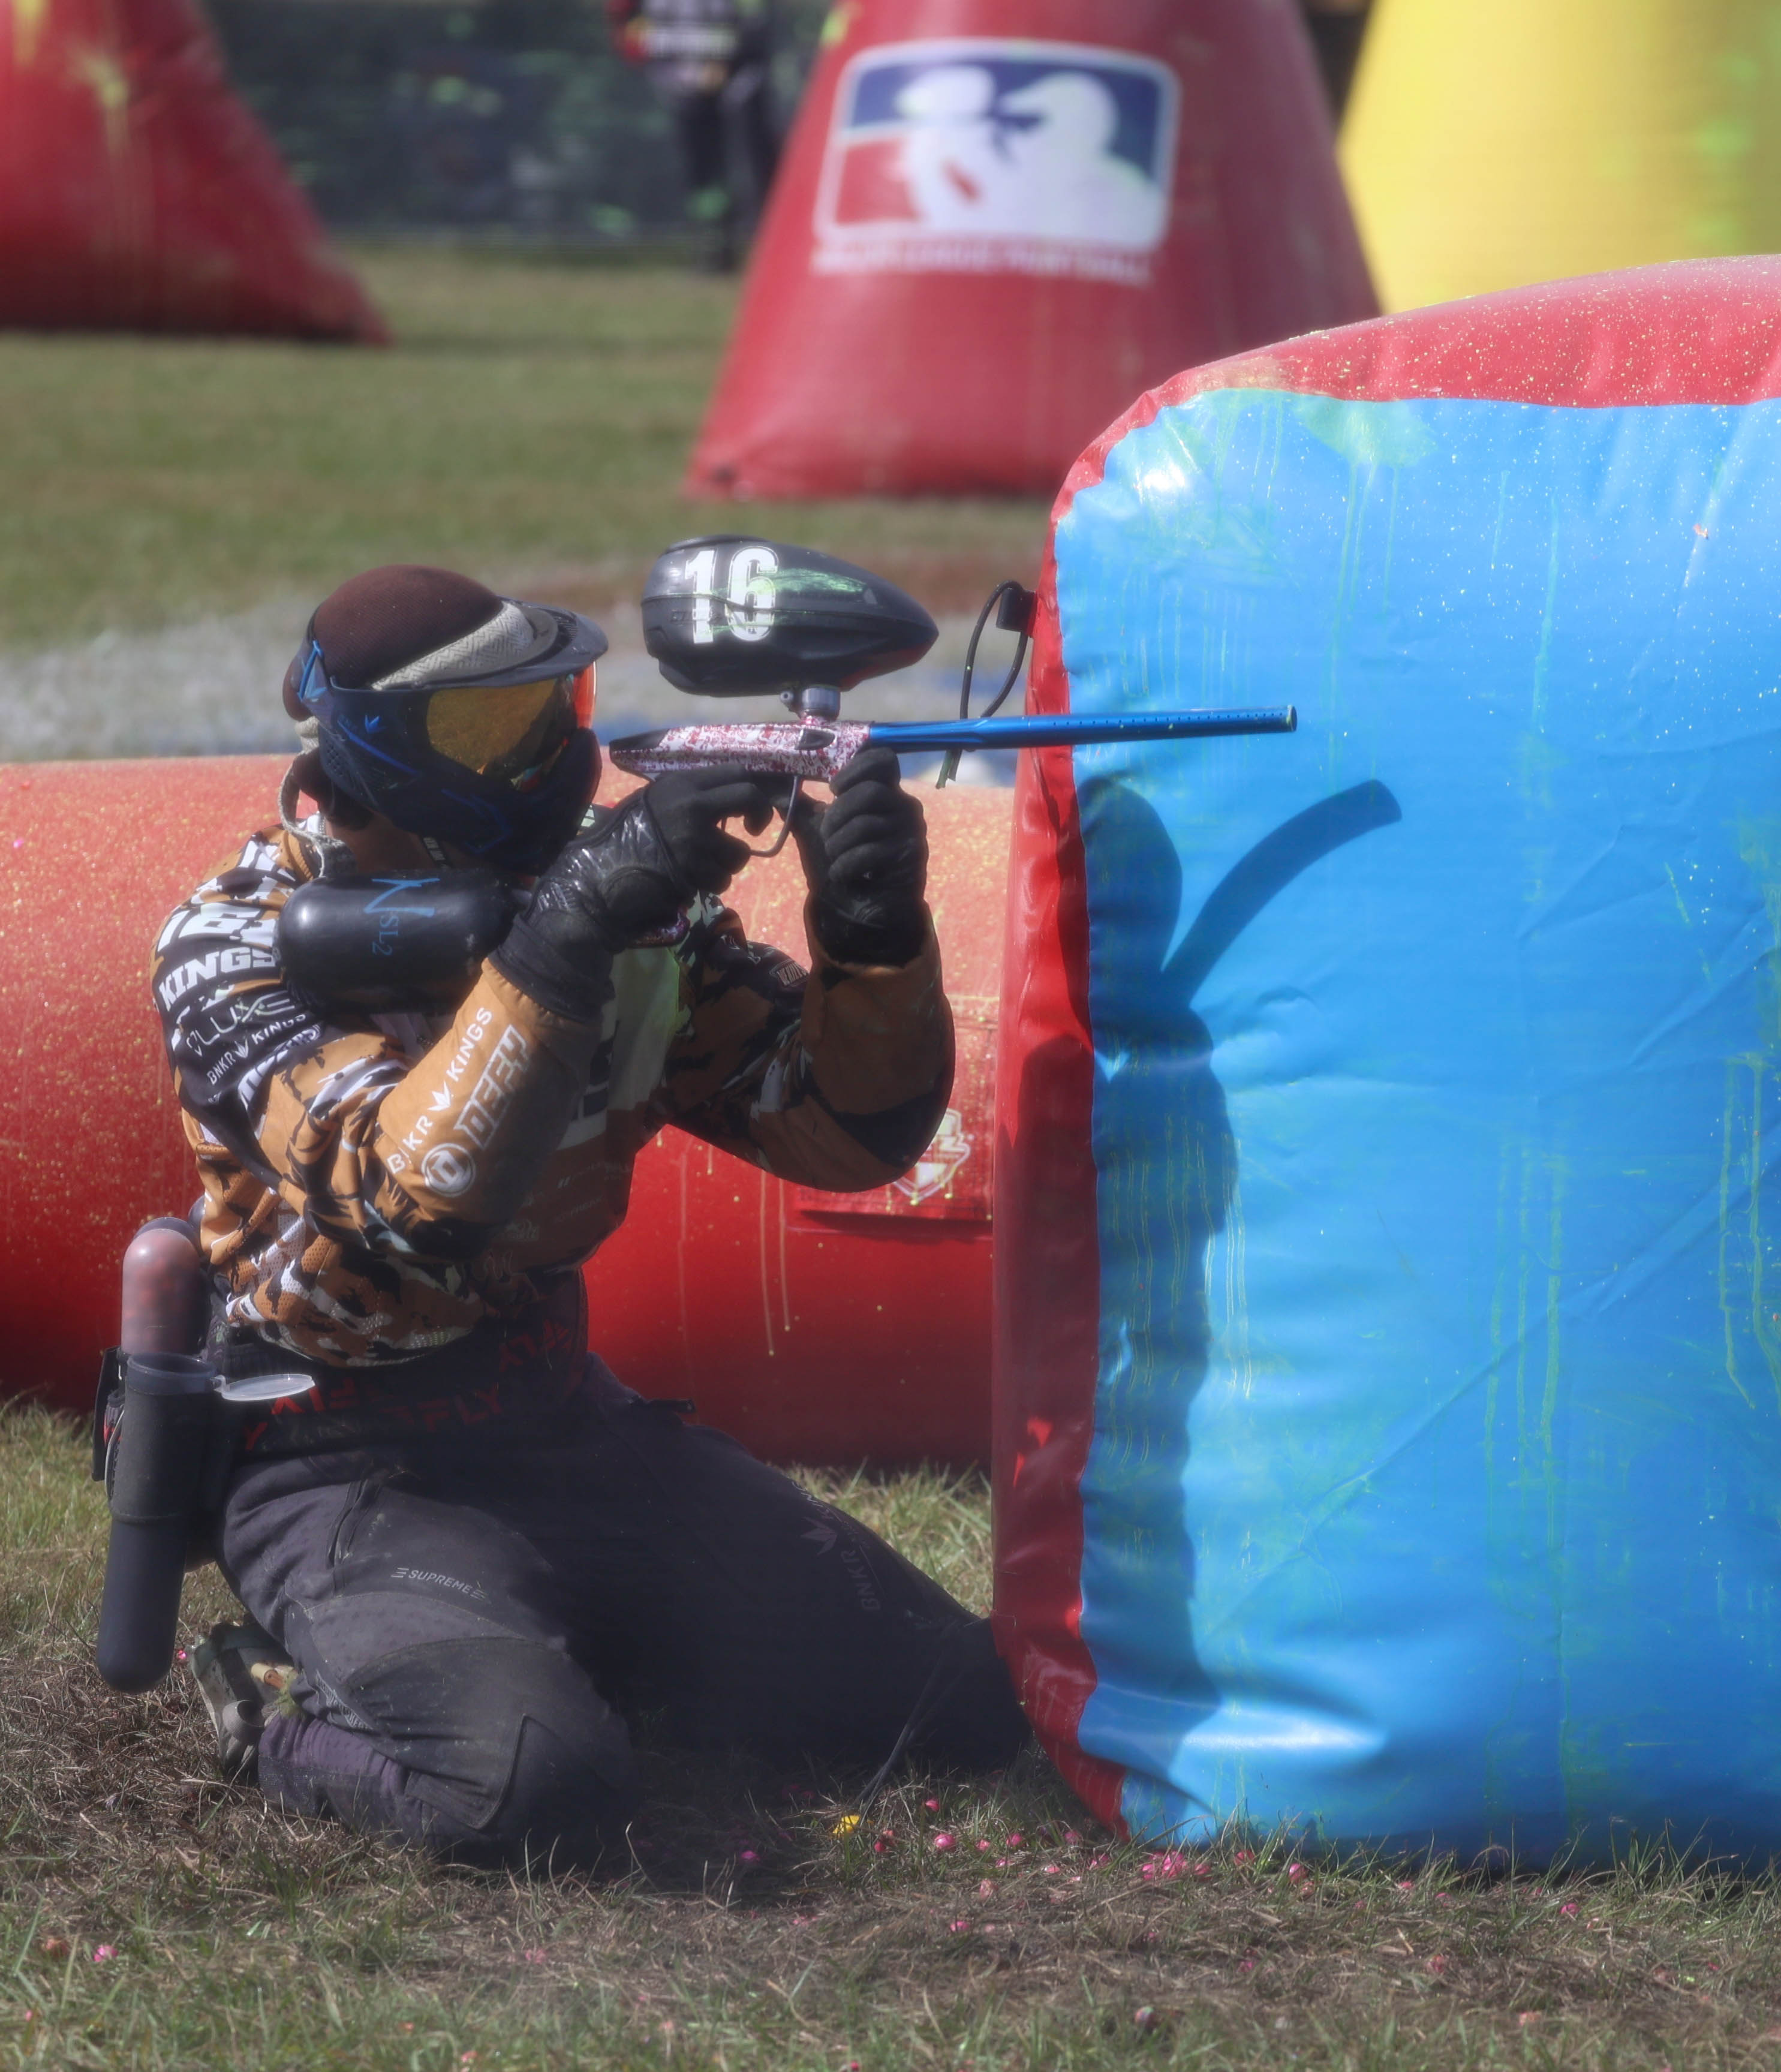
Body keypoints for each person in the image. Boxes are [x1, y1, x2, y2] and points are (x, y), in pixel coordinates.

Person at [154, 563, 1026, 1869]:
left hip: (564, 1423)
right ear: (374, 748)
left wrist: (873, 938)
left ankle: (564, 1639)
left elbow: (844, 1130)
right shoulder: (235, 940)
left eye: (561, 703)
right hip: (339, 1464)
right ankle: (267, 1708)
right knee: (528, 1789)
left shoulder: (616, 901)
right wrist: (565, 939)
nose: (557, 752)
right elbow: (411, 1197)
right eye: (494, 730)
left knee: (960, 1701)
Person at [607, 0, 778, 270]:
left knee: (753, 169)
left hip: (739, 86)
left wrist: (724, 58)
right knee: (704, 178)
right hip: (681, 88)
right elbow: (627, 30)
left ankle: (769, 250)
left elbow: (755, 19)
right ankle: (714, 248)